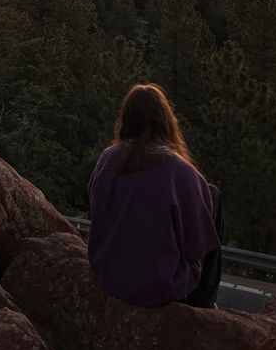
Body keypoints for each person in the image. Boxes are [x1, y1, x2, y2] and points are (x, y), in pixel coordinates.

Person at [88, 83, 223, 308]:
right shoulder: (181, 173)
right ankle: (204, 301)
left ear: (126, 119)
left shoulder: (107, 160)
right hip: (160, 284)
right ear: (166, 120)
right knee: (212, 195)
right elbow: (197, 243)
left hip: (109, 275)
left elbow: (97, 211)